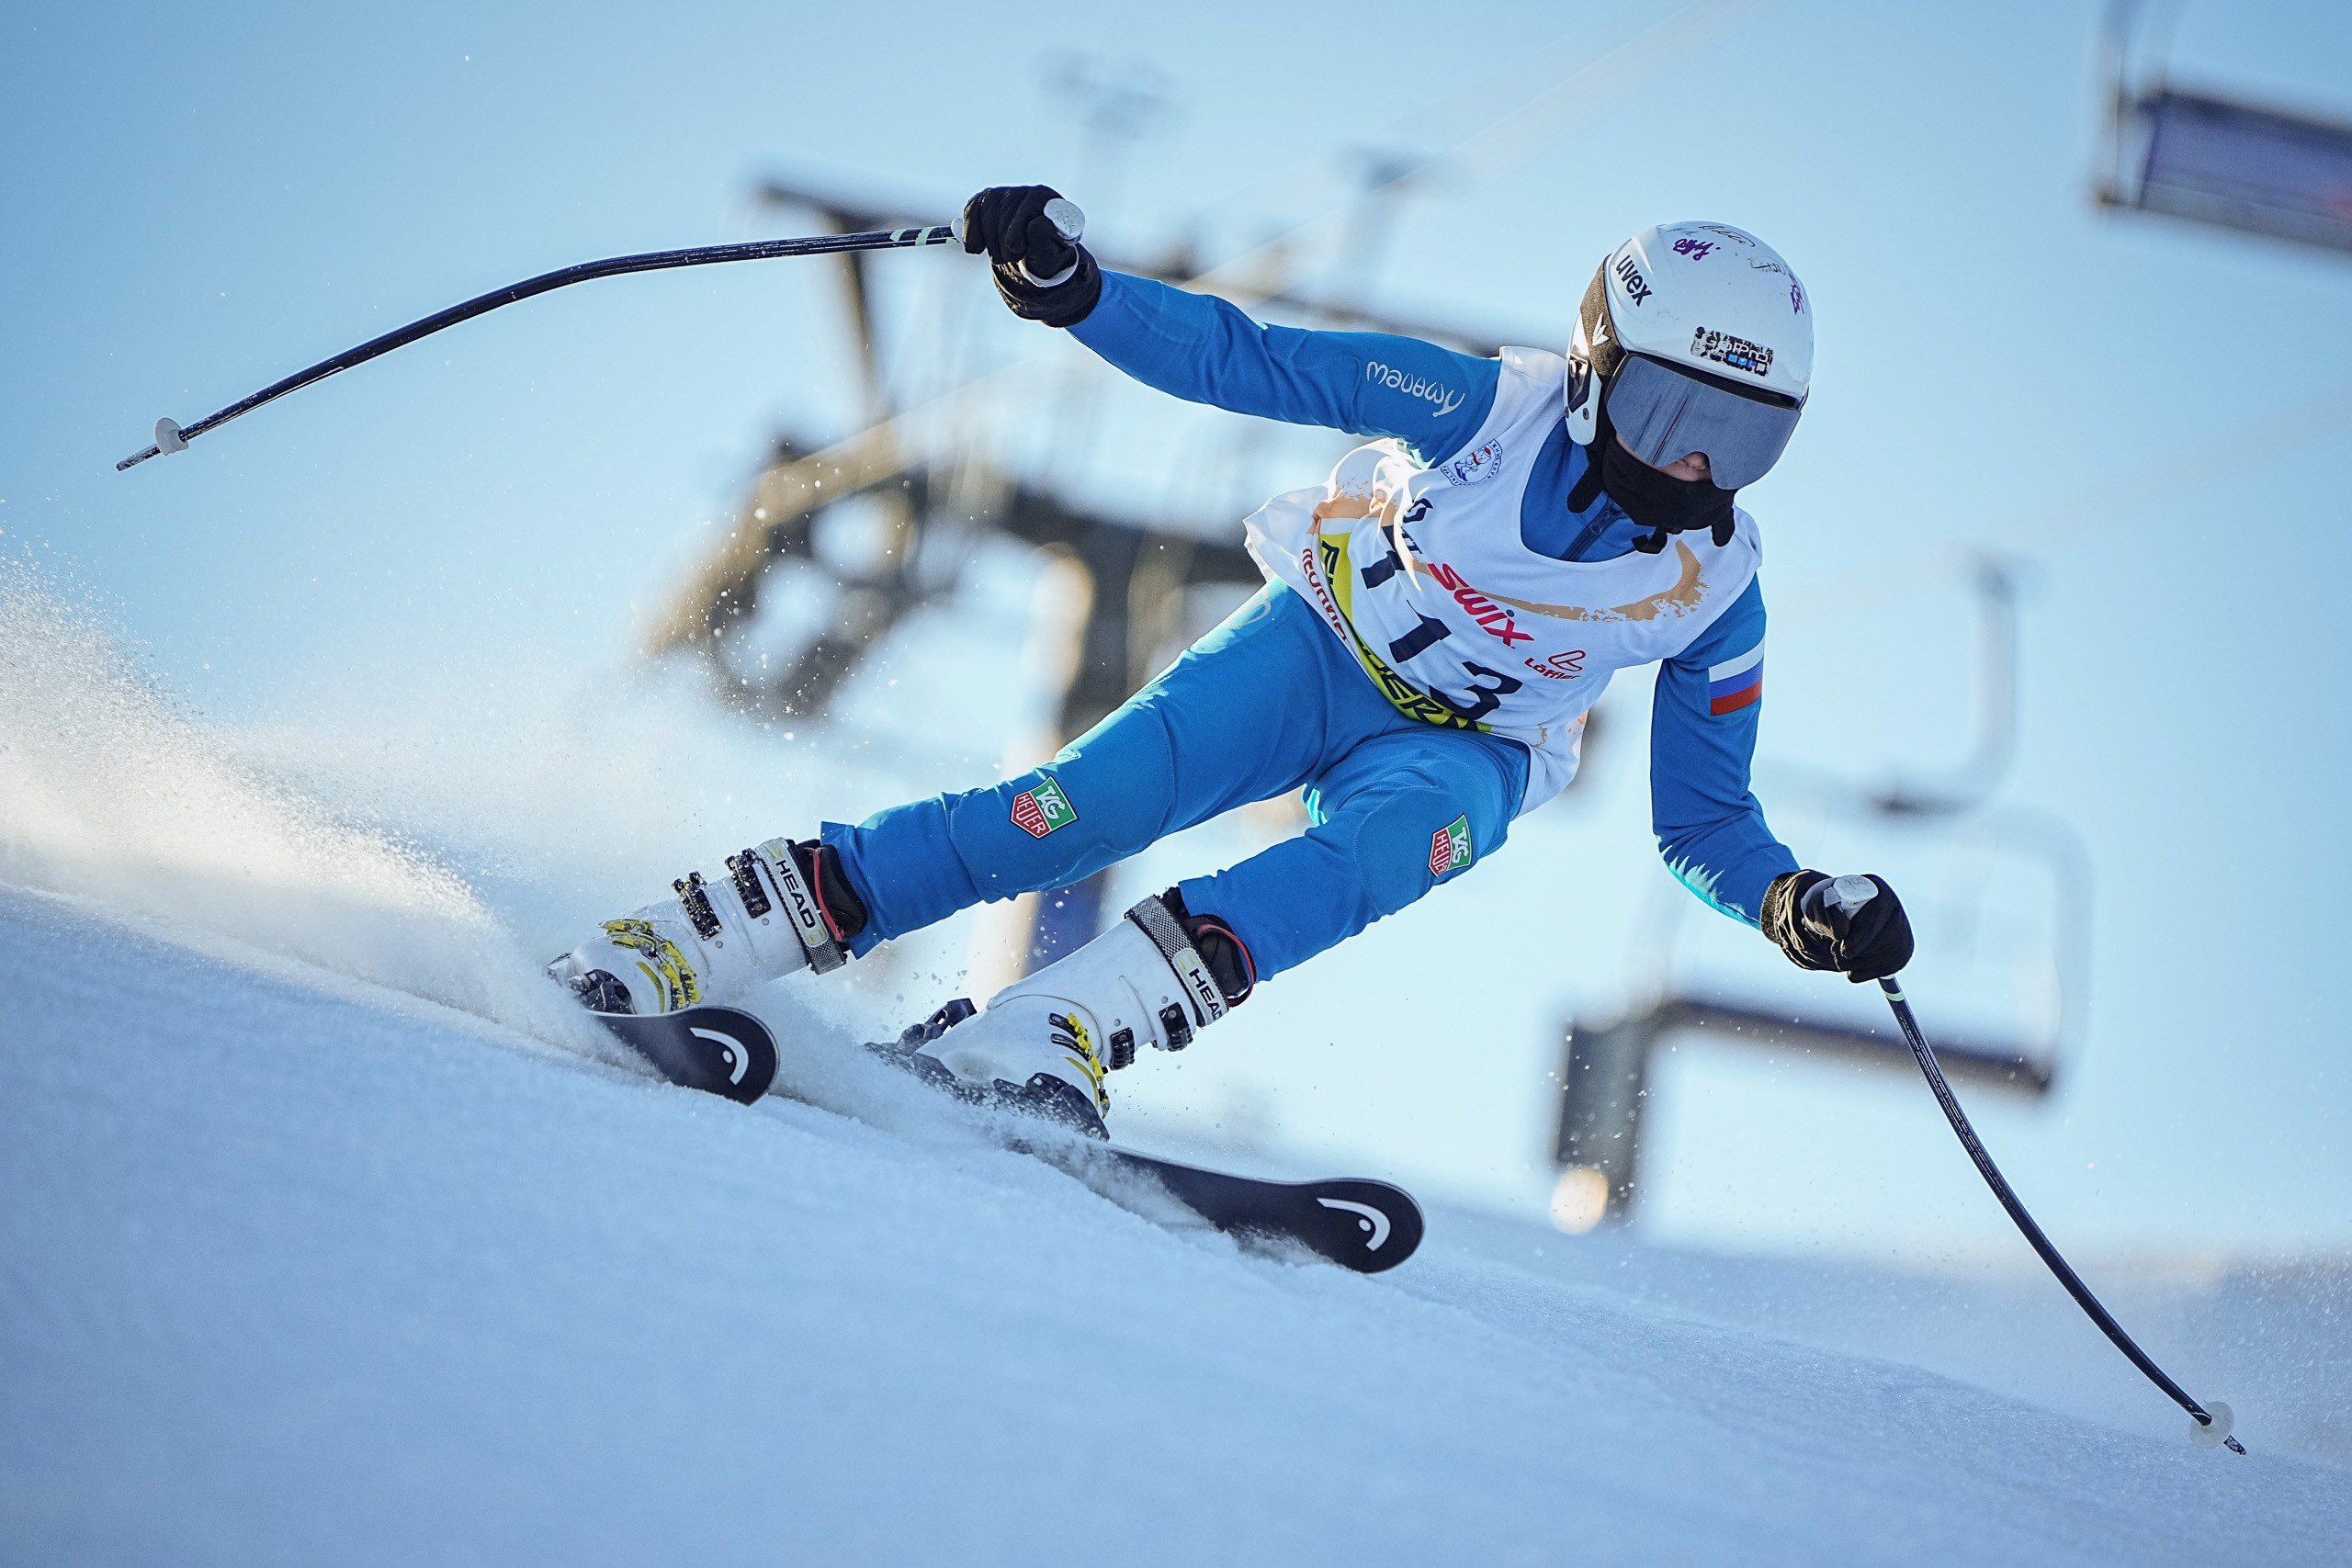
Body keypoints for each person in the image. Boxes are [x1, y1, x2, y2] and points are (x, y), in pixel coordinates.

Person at [548, 185, 1915, 1138]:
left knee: (1403, 843)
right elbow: (1255, 361)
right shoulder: (1486, 410)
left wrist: (1791, 901)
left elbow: (1705, 821)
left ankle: (1053, 1031)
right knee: (1075, 815)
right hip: (1318, 650)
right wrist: (1079, 295)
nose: (1698, 467)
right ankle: (698, 934)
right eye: (1675, 414)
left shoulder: (1713, 591)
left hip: (1467, 751)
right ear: (1599, 368)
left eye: (1745, 438)